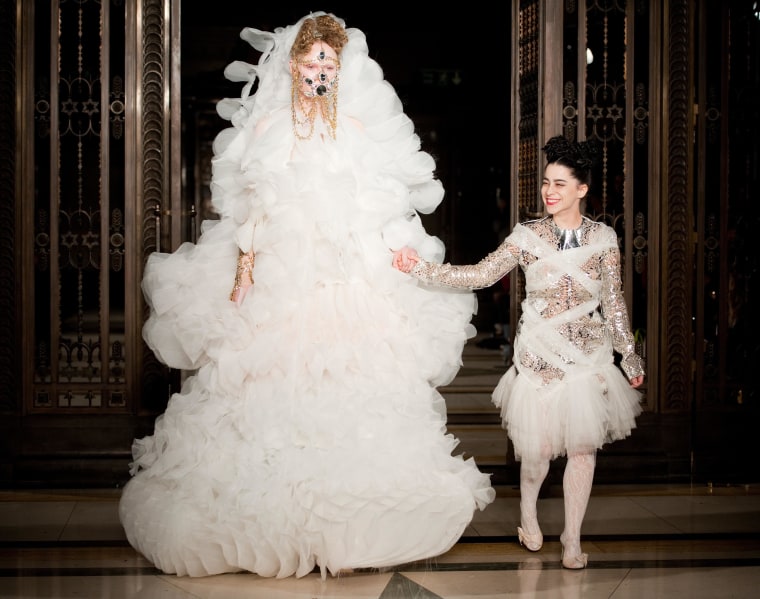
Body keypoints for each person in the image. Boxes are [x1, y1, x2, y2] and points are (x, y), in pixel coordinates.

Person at [118, 12, 495, 579]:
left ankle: (350, 513)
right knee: (271, 386)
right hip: (285, 277)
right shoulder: (271, 131)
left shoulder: (358, 133)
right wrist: (244, 269)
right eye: (315, 59)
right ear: (294, 65)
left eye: (331, 62)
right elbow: (251, 206)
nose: (323, 69)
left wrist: (397, 251)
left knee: (350, 382)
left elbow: (384, 202)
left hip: (346, 280)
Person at [393, 135, 645, 570]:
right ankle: (528, 513)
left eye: (560, 184)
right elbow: (481, 274)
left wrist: (630, 355)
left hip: (587, 356)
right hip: (539, 357)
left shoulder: (604, 238)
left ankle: (571, 537)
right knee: (539, 453)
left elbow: (615, 301)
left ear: (581, 190)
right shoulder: (527, 236)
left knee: (583, 450)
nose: (549, 191)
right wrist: (420, 268)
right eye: (547, 182)